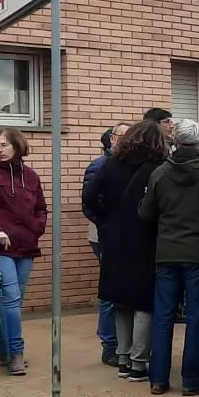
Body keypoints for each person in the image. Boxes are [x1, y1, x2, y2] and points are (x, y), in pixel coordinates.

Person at [139, 120, 199, 395]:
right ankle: (191, 379)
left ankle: (158, 379)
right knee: (198, 317)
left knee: (163, 316)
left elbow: (145, 213)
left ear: (175, 140)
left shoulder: (161, 173)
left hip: (167, 253)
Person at [90, 121, 164, 382]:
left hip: (114, 240)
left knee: (120, 300)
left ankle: (122, 358)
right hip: (146, 240)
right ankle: (138, 362)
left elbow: (89, 196)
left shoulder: (110, 164)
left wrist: (105, 221)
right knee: (143, 302)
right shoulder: (157, 168)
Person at [0, 127, 48, 376]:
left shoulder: (31, 176)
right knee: (11, 297)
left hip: (25, 245)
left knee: (12, 299)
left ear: (17, 145)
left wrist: (37, 228)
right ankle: (15, 352)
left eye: (4, 145)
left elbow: (41, 208)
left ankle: (0, 347)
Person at [82, 123, 125, 367]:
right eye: (122, 136)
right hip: (105, 237)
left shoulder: (127, 165)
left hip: (119, 237)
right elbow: (89, 202)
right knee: (109, 290)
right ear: (111, 139)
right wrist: (106, 224)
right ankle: (109, 345)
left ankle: (117, 343)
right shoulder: (99, 166)